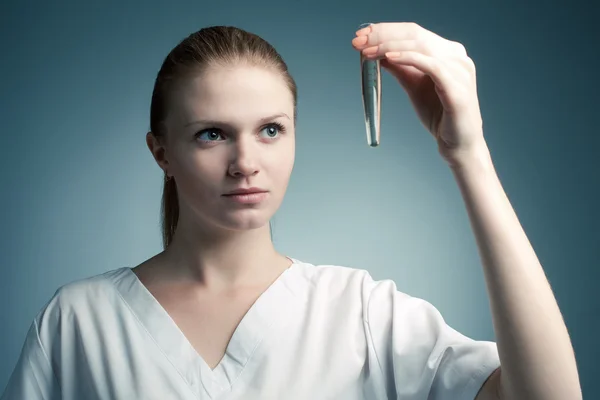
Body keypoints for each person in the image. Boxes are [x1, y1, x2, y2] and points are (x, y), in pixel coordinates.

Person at [1, 22, 581, 400]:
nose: (245, 161)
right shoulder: (78, 324)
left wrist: (468, 153)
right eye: (211, 135)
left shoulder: (360, 315)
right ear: (162, 153)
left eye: (271, 130)